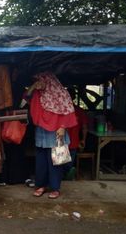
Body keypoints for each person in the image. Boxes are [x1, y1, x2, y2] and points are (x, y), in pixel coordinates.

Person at [24, 71, 77, 199]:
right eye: (37, 80)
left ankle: (55, 188)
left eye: (41, 80)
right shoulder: (38, 94)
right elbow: (25, 98)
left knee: (55, 161)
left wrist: (63, 126)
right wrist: (33, 86)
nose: (39, 83)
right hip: (42, 130)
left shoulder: (61, 93)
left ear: (48, 80)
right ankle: (40, 185)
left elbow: (68, 110)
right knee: (41, 161)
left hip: (57, 131)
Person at [64, 88, 89, 179]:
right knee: (63, 164)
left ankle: (66, 176)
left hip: (72, 143)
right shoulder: (61, 110)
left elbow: (84, 127)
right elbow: (84, 128)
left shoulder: (79, 111)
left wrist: (83, 140)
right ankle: (65, 176)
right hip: (62, 143)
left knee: (66, 164)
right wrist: (83, 140)